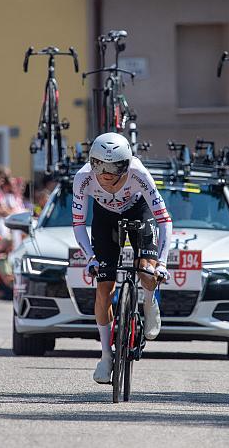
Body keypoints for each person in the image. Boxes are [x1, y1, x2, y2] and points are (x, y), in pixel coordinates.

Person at [71, 132, 172, 384]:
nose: (105, 174)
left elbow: (164, 220)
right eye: (99, 165)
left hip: (139, 211)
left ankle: (149, 302)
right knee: (104, 286)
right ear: (91, 163)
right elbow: (78, 224)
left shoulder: (139, 173)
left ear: (126, 164)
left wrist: (162, 262)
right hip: (104, 218)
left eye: (114, 166)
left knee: (146, 270)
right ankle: (106, 356)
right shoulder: (83, 178)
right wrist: (90, 258)